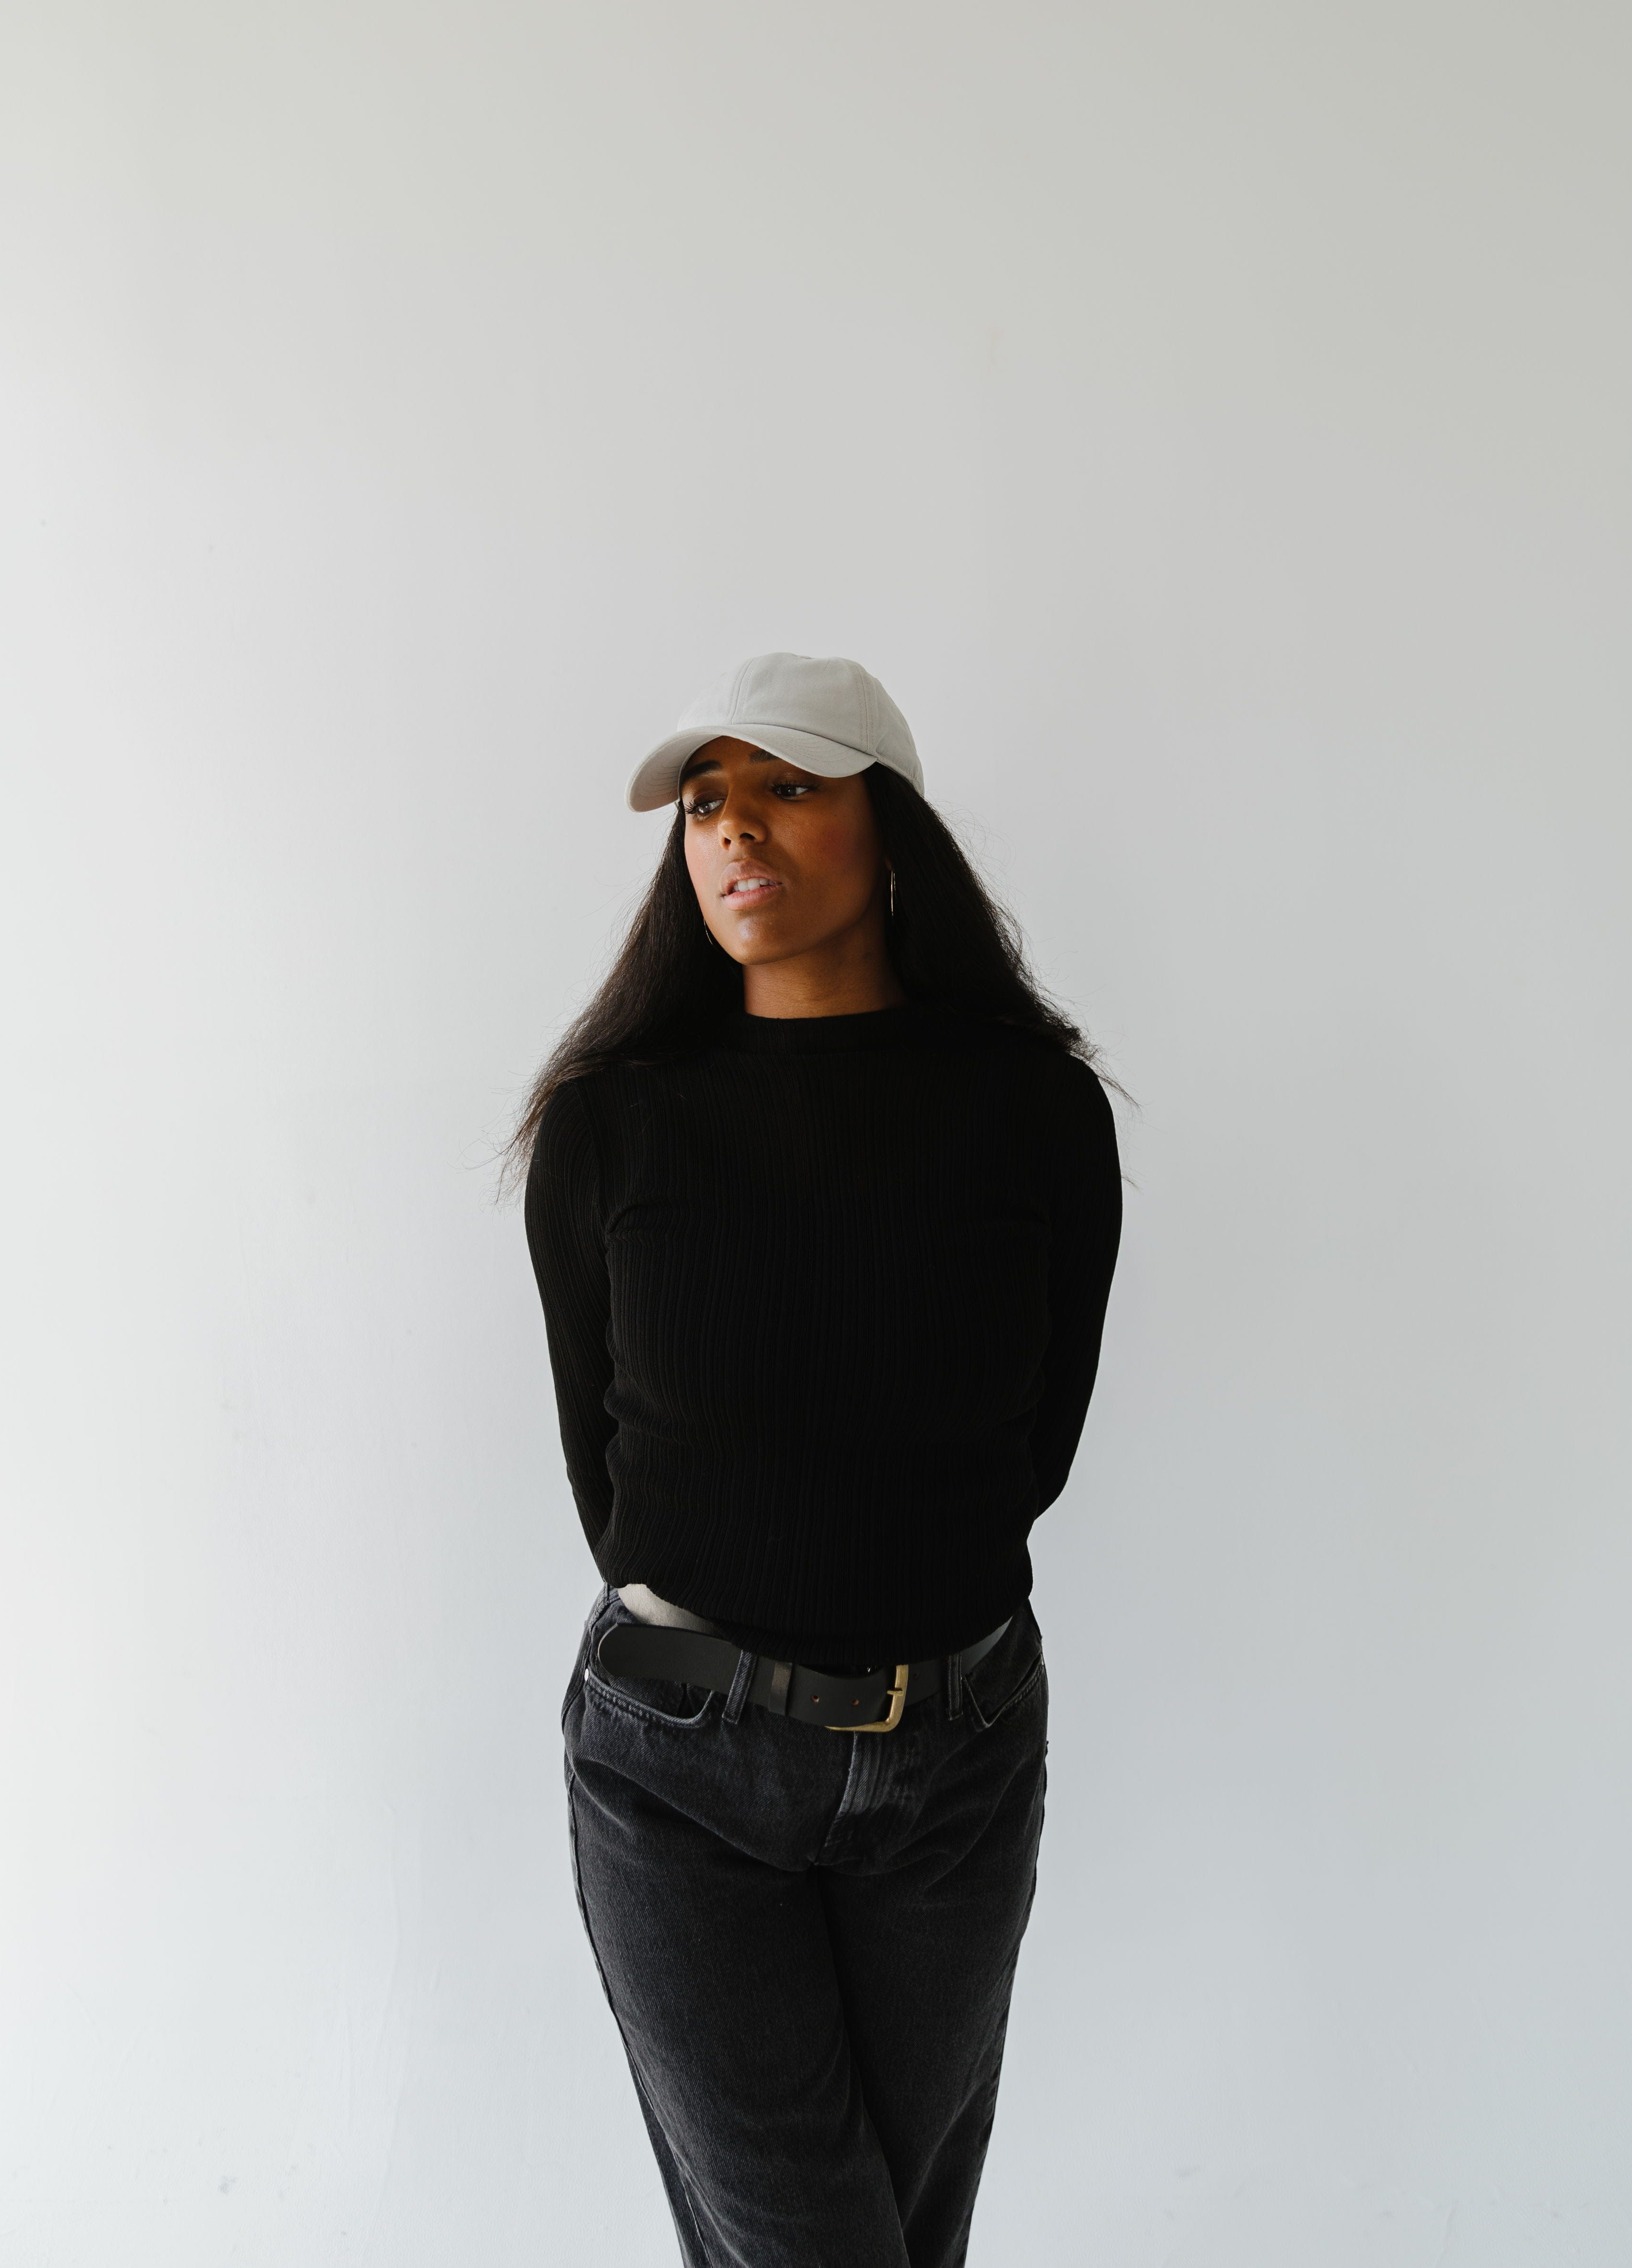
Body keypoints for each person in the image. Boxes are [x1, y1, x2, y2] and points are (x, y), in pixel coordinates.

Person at [516, 651, 1123, 2268]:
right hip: (679, 1765)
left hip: (961, 1754)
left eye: (788, 788)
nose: (735, 831)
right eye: (708, 802)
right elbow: (607, 1463)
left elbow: (1031, 1440)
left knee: (907, 2233)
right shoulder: (611, 1124)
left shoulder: (1035, 1111)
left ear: (893, 832)